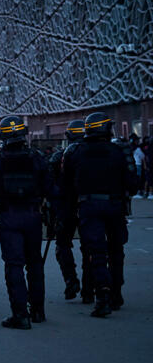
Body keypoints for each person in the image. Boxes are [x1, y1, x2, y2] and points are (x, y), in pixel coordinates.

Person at [0, 115, 50, 329]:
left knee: (14, 265)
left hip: (9, 216)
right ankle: (38, 311)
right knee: (35, 263)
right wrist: (56, 217)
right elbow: (52, 189)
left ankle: (20, 314)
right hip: (33, 216)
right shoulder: (36, 157)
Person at [62, 112, 136, 317]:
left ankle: (102, 295)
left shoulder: (75, 152)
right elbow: (133, 183)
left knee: (97, 252)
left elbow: (65, 185)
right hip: (115, 206)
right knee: (116, 250)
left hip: (88, 206)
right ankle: (116, 293)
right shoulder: (119, 150)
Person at [48, 120, 92, 302]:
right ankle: (89, 289)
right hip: (89, 207)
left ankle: (70, 280)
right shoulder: (94, 154)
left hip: (67, 207)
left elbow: (49, 185)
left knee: (63, 245)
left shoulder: (60, 156)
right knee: (90, 248)